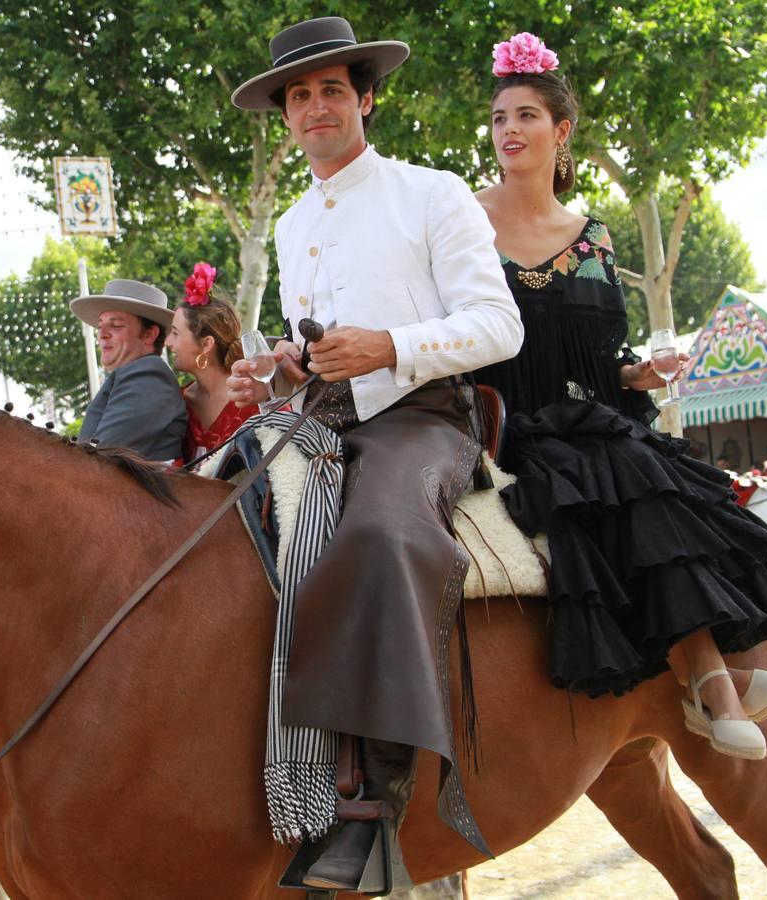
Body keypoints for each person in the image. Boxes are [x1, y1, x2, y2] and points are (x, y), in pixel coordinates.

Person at [228, 16, 523, 889]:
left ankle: (376, 800)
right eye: (298, 95)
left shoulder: (432, 192)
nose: (315, 106)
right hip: (318, 415)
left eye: (331, 90)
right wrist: (277, 369)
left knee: (381, 534)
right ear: (286, 115)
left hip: (424, 415)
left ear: (363, 99)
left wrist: (390, 347)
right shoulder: (287, 225)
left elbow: (499, 326)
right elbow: (311, 345)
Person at [472, 33, 767, 761]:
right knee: (621, 473)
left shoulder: (594, 238)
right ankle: (713, 688)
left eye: (526, 115)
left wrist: (638, 376)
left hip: (582, 416)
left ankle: (711, 685)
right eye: (500, 118)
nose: (509, 131)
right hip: (497, 424)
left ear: (561, 133)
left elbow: (603, 361)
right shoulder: (461, 224)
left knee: (655, 474)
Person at [70, 279, 187, 462]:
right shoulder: (129, 374)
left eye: (116, 325)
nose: (102, 334)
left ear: (149, 334)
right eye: (100, 326)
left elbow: (99, 459)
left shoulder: (149, 376)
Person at [163, 262, 254, 462]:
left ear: (206, 344)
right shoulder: (178, 401)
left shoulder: (253, 395)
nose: (168, 342)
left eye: (176, 333)